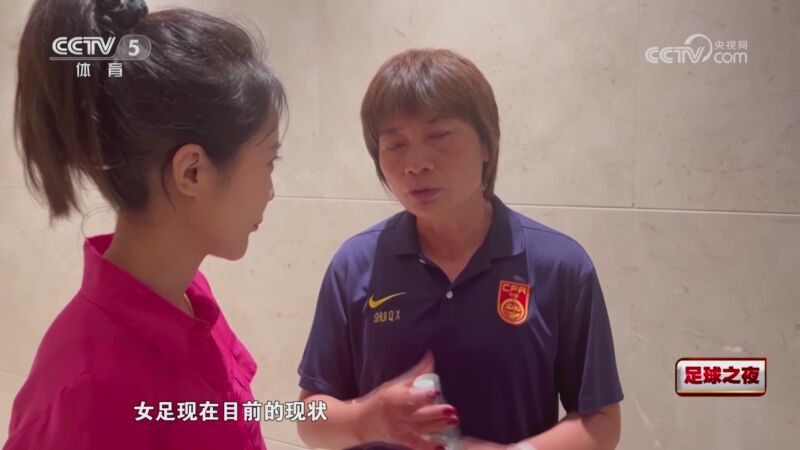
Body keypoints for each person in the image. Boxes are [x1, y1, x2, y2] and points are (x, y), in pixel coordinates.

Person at [296, 49, 623, 450]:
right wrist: (365, 419)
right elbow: (307, 415)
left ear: (487, 144)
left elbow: (600, 420)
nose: (415, 163)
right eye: (395, 144)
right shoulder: (355, 264)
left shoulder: (560, 266)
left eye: (439, 137)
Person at [4, 0, 286, 448]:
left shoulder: (190, 299)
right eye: (269, 162)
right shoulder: (88, 394)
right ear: (192, 171)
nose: (271, 191)